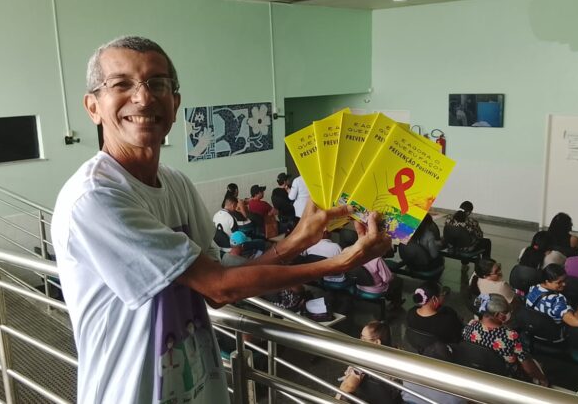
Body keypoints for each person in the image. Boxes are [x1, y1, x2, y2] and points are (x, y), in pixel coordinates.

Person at [51, 36, 391, 404]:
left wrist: (299, 239)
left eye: (157, 83)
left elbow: (214, 287)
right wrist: (343, 262)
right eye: (121, 84)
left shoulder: (176, 183)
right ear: (93, 107)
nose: (143, 97)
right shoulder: (95, 197)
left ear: (175, 103)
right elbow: (219, 287)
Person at [463, 294, 548, 386]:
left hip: (481, 371)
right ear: (497, 315)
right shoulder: (510, 336)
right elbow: (528, 367)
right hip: (505, 377)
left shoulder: (470, 326)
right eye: (506, 312)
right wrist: (542, 378)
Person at [525, 264, 578, 349]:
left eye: (565, 280)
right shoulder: (556, 301)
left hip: (537, 332)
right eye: (559, 282)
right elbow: (577, 322)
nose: (564, 284)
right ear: (547, 281)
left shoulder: (533, 288)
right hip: (556, 337)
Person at [337, 321, 402, 403]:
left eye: (364, 339)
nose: (360, 340)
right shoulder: (399, 354)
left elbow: (348, 387)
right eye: (360, 336)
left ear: (377, 342)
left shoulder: (365, 360)